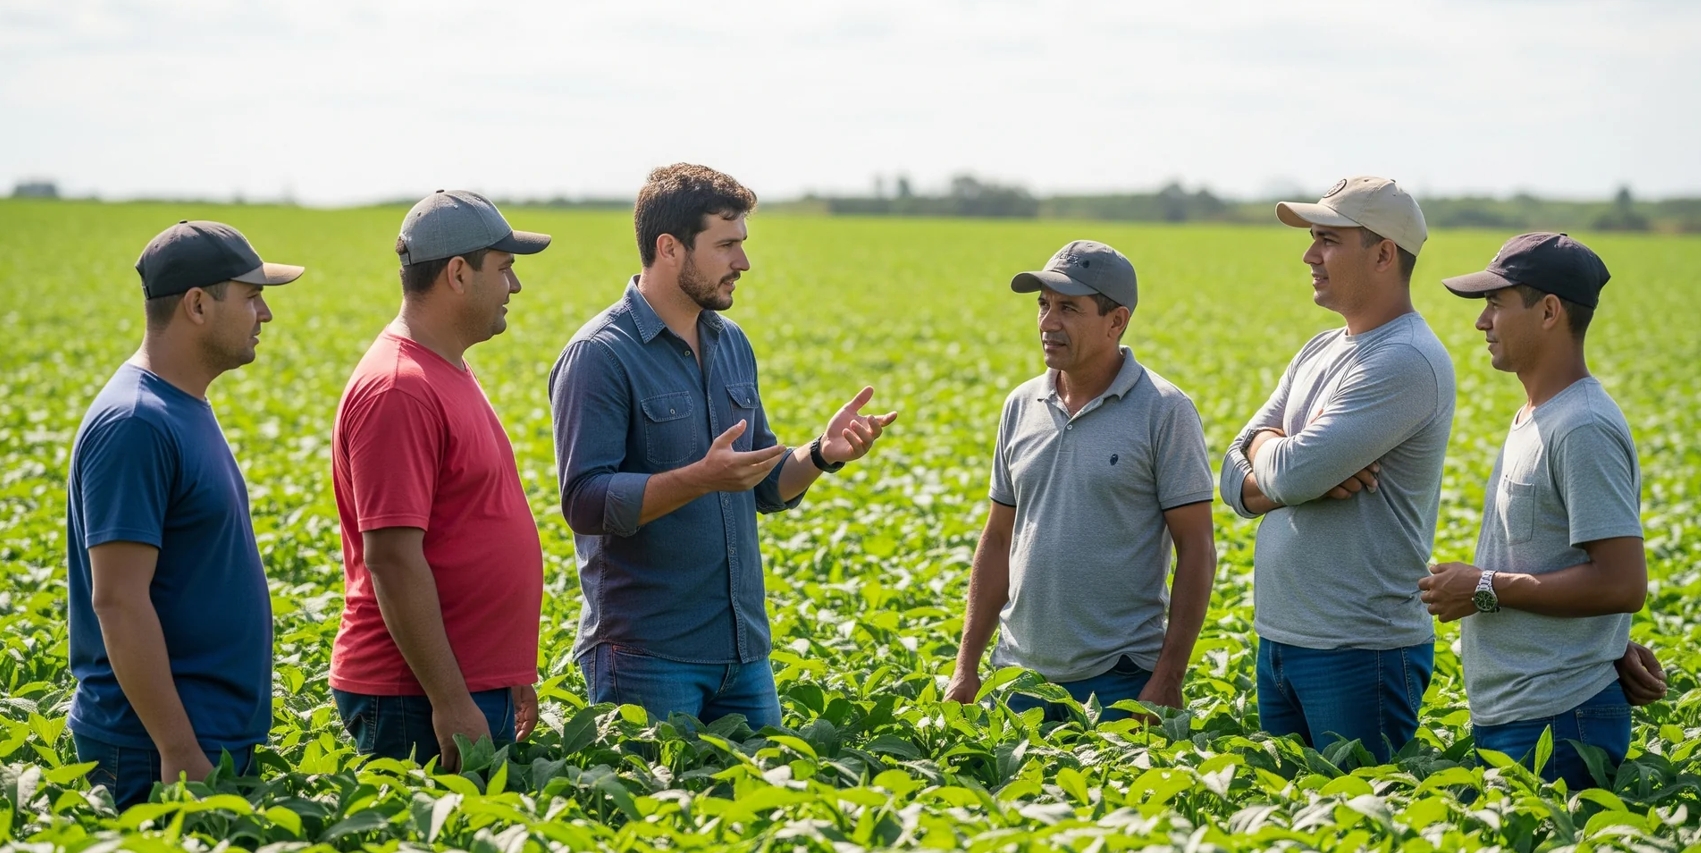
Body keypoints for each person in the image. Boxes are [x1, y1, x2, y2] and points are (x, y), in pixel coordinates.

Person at [549, 163, 897, 729]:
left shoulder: (730, 341)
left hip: (743, 653)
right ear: (669, 248)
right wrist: (701, 478)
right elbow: (585, 503)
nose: (743, 262)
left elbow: (760, 483)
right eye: (727, 245)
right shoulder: (600, 355)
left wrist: (821, 454)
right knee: (659, 813)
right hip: (646, 657)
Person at [1218, 177, 1456, 761]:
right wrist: (1286, 465)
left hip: (1359, 650)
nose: (1308, 255)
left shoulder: (1405, 359)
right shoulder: (1319, 349)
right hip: (1281, 639)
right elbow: (1228, 471)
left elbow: (1287, 471)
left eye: (1327, 239)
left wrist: (1278, 457)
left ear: (1382, 254)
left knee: (1358, 820)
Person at [67, 221, 303, 808]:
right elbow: (118, 600)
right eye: (251, 297)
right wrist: (177, 747)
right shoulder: (136, 423)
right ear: (198, 305)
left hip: (201, 738)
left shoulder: (181, 404)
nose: (265, 315)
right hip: (152, 751)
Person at [1421, 232, 1667, 787]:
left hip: (1558, 718)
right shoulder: (1538, 415)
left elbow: (1621, 583)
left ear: (1550, 311)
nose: (1482, 322)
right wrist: (1607, 644)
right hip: (1526, 711)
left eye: (1496, 304)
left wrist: (1484, 586)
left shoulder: (1582, 426)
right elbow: (1564, 561)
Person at [943, 241, 1216, 722]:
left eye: (1068, 308)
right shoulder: (1020, 405)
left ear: (1117, 321)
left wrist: (1167, 677)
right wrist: (966, 665)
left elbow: (1197, 549)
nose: (1048, 323)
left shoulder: (1164, 411)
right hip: (1017, 677)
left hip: (1120, 679)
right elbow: (999, 537)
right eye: (1043, 306)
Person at [328, 190, 550, 770]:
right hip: (415, 698)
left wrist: (504, 672)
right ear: (457, 273)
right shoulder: (400, 387)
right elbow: (394, 560)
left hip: (464, 682)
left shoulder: (443, 365)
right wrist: (451, 699)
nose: (515, 287)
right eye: (504, 270)